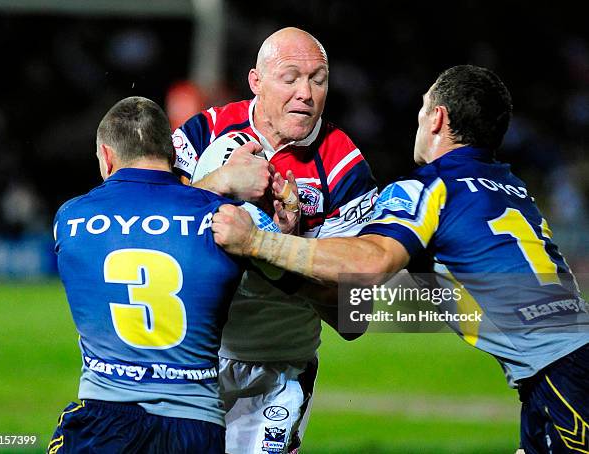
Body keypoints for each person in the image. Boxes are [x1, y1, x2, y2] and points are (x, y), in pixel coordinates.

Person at [213, 65, 589, 454]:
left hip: (563, 378)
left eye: (424, 107)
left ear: (438, 118)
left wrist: (258, 243)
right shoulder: (512, 188)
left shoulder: (429, 188)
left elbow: (368, 264)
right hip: (560, 367)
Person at [171, 27, 377, 453]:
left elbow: (353, 318)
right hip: (189, 360)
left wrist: (283, 251)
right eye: (290, 78)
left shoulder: (345, 165)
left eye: (318, 79)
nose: (305, 93)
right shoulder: (202, 132)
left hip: (278, 369)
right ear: (256, 81)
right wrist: (218, 183)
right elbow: (156, 230)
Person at [48, 96, 243, 453]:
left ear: (106, 157)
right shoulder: (224, 219)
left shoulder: (70, 218)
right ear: (171, 154)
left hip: (102, 420)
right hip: (196, 426)